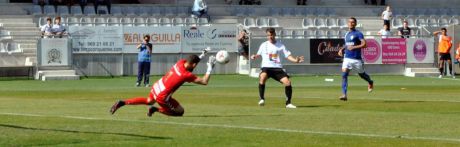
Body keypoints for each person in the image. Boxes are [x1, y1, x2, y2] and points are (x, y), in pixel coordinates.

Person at [110, 51, 216, 117]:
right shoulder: (186, 75)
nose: (195, 67)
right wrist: (209, 68)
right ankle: (156, 109)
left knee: (149, 100)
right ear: (193, 64)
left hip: (157, 86)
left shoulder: (181, 62)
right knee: (180, 112)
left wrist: (202, 55)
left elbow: (191, 61)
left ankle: (123, 102)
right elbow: (204, 81)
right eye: (195, 65)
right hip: (163, 95)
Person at [250, 27, 305, 108]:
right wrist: (254, 56)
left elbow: (288, 56)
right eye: (268, 35)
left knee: (288, 82)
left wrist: (295, 60)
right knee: (262, 77)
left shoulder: (280, 45)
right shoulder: (263, 45)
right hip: (266, 68)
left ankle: (288, 103)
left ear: (275, 34)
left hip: (277, 69)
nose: (270, 37)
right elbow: (258, 54)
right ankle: (262, 99)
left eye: (271, 35)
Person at [338, 17, 374, 101]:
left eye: (353, 22)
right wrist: (341, 49)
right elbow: (347, 44)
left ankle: (370, 82)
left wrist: (354, 47)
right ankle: (344, 94)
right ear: (347, 23)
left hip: (357, 59)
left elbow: (365, 45)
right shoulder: (347, 34)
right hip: (347, 58)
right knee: (344, 75)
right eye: (349, 22)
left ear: (355, 24)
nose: (351, 23)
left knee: (362, 75)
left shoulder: (358, 33)